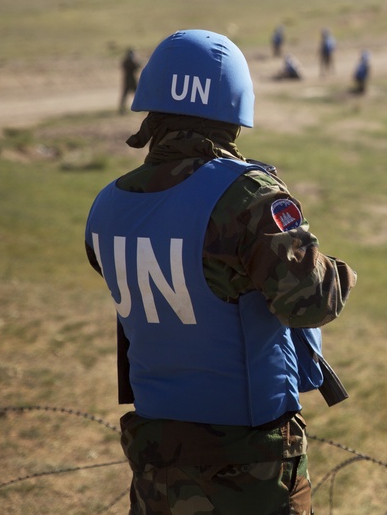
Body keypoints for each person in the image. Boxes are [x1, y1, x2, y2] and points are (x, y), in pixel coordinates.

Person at [85, 29, 357, 514]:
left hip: (156, 470)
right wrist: (340, 272)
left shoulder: (107, 204)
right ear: (232, 113)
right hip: (250, 473)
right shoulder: (247, 196)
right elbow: (311, 301)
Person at [120, 47, 141, 113]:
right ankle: (139, 106)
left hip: (127, 79)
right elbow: (137, 67)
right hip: (131, 79)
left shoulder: (125, 61)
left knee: (125, 95)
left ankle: (122, 108)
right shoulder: (131, 61)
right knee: (137, 94)